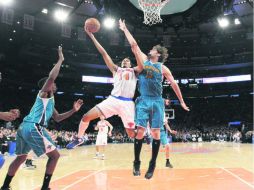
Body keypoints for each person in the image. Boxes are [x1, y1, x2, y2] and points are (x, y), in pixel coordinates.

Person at [0, 46, 83, 190]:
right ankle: (45, 187)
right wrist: (60, 60)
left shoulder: (49, 101)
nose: (55, 84)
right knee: (55, 156)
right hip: (33, 126)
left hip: (24, 127)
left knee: (21, 158)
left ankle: (5, 186)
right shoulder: (44, 94)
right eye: (53, 84)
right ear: (49, 86)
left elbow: (57, 118)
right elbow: (51, 77)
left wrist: (73, 110)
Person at [119, 19, 189, 179]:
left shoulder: (163, 68)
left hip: (157, 101)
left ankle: (152, 165)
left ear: (158, 53)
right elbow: (134, 45)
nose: (149, 50)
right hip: (143, 100)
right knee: (141, 132)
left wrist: (182, 101)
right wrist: (124, 29)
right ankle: (136, 162)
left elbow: (174, 85)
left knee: (156, 133)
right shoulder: (144, 60)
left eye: (152, 49)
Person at [67, 26, 144, 149]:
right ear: (121, 64)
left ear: (130, 64)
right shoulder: (116, 70)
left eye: (128, 61)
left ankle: (148, 133)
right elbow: (103, 53)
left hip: (127, 104)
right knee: (86, 116)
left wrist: (136, 51)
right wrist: (92, 36)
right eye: (124, 61)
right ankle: (79, 138)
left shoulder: (134, 71)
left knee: (131, 134)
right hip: (112, 100)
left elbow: (141, 65)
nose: (125, 61)